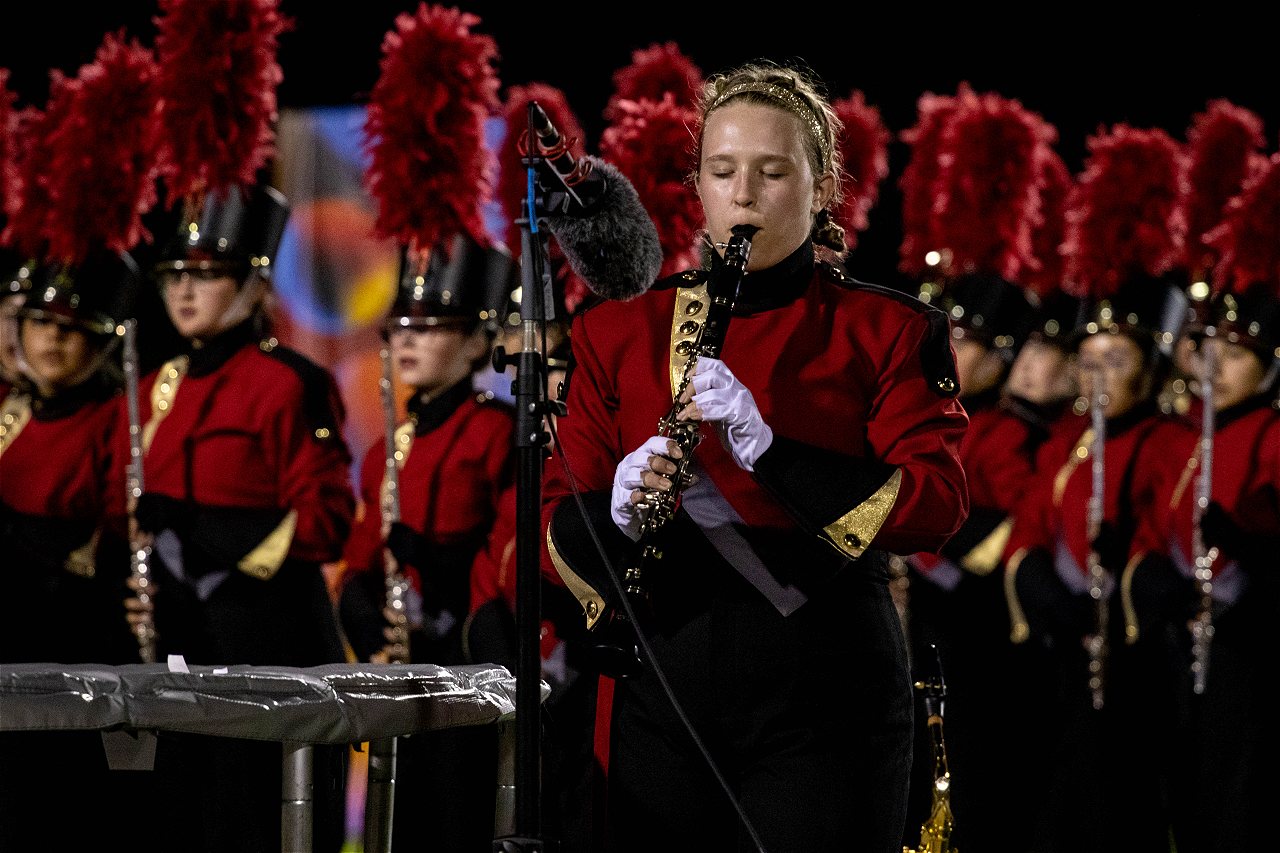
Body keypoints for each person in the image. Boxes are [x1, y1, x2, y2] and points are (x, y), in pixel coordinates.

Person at [541, 59, 969, 852]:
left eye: (773, 172)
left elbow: (938, 505)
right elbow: (550, 531)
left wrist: (772, 452)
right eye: (722, 170)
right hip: (659, 691)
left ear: (821, 188)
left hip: (826, 698)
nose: (743, 194)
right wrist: (618, 507)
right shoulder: (618, 330)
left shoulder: (889, 331)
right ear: (696, 185)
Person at [127, 181, 355, 853]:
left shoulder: (291, 381)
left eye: (209, 275)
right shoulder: (152, 387)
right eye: (175, 275)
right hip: (177, 646)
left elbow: (326, 520)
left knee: (255, 826)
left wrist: (197, 524)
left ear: (255, 285)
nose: (184, 292)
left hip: (269, 641)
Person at [1000, 123, 1189, 853]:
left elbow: (1164, 529)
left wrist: (1132, 575)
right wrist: (1044, 581)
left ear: (1147, 366)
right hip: (1066, 647)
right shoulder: (1068, 441)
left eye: (1115, 359)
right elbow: (1031, 525)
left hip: (1143, 654)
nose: (1097, 375)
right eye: (1089, 358)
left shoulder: (1165, 442)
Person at [337, 232, 517, 852]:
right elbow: (360, 560)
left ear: (475, 342)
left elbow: (503, 553)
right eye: (400, 327)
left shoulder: (499, 433)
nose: (407, 340)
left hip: (467, 668)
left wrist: (442, 580)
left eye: (432, 326)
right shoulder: (389, 447)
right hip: (403, 675)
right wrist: (367, 626)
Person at [1124, 154, 1280, 852]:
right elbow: (1150, 530)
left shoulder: (1271, 433)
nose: (1215, 365)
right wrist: (1150, 574)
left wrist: (1249, 544)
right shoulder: (1184, 436)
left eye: (1238, 354)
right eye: (1209, 347)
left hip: (1254, 654)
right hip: (1175, 646)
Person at [0, 249, 144, 848]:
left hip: (69, 646)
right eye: (42, 323)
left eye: (73, 329)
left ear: (103, 342)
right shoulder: (10, 409)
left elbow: (108, 543)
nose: (54, 340)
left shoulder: (115, 417)